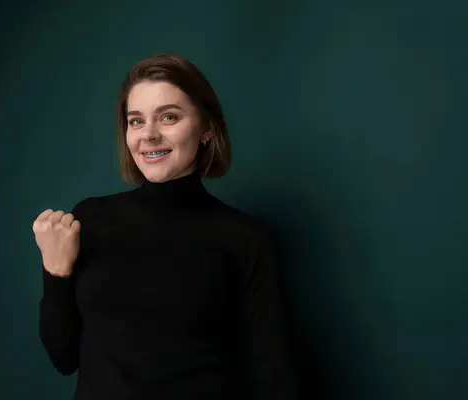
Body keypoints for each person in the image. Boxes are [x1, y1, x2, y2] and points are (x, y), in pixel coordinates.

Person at [33, 53, 298, 399]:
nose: (150, 135)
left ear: (205, 128)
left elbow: (273, 374)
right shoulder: (90, 220)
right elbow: (64, 357)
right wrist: (56, 273)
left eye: (169, 117)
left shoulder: (245, 238)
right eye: (136, 121)